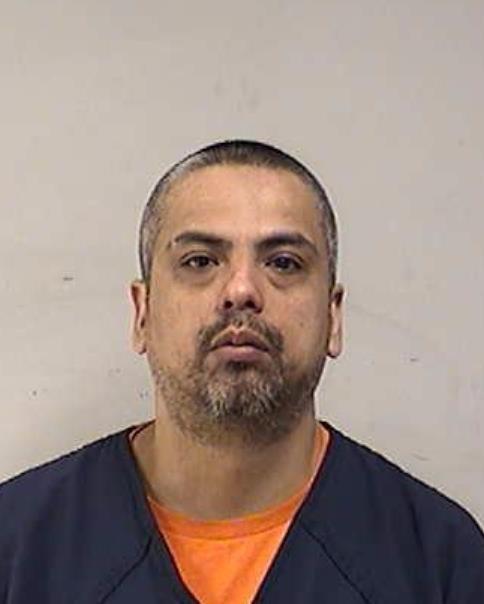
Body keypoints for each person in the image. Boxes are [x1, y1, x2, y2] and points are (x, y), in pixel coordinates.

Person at [0, 140, 483, 603]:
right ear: (142, 313)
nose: (241, 289)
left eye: (284, 263)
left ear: (333, 317)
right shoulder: (18, 547)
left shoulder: (441, 562)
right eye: (199, 261)